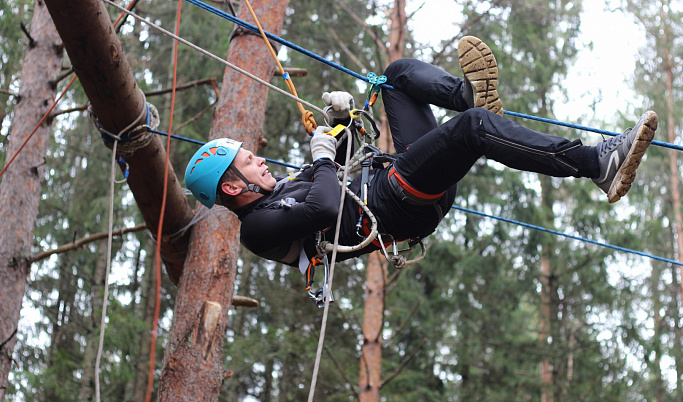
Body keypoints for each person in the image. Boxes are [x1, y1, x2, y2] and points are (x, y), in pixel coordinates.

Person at [185, 36, 657, 279]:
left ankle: (466, 94)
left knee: (395, 76)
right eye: (248, 162)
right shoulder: (256, 228)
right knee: (473, 131)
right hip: (397, 204)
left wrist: (341, 121)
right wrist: (324, 158)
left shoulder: (282, 190)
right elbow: (328, 207)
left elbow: (341, 160)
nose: (260, 160)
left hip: (396, 177)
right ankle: (597, 164)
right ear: (231, 187)